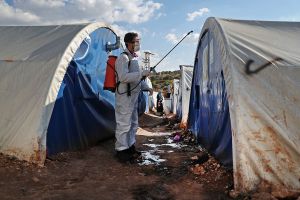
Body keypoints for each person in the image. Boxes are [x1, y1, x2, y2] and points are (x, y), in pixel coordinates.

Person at [114, 32, 151, 163]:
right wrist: (142, 73)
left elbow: (137, 79)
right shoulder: (123, 58)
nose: (138, 44)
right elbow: (123, 77)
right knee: (124, 123)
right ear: (129, 43)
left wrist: (147, 87)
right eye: (136, 41)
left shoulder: (134, 58)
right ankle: (121, 149)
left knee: (133, 123)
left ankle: (130, 146)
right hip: (124, 97)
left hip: (133, 98)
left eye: (139, 41)